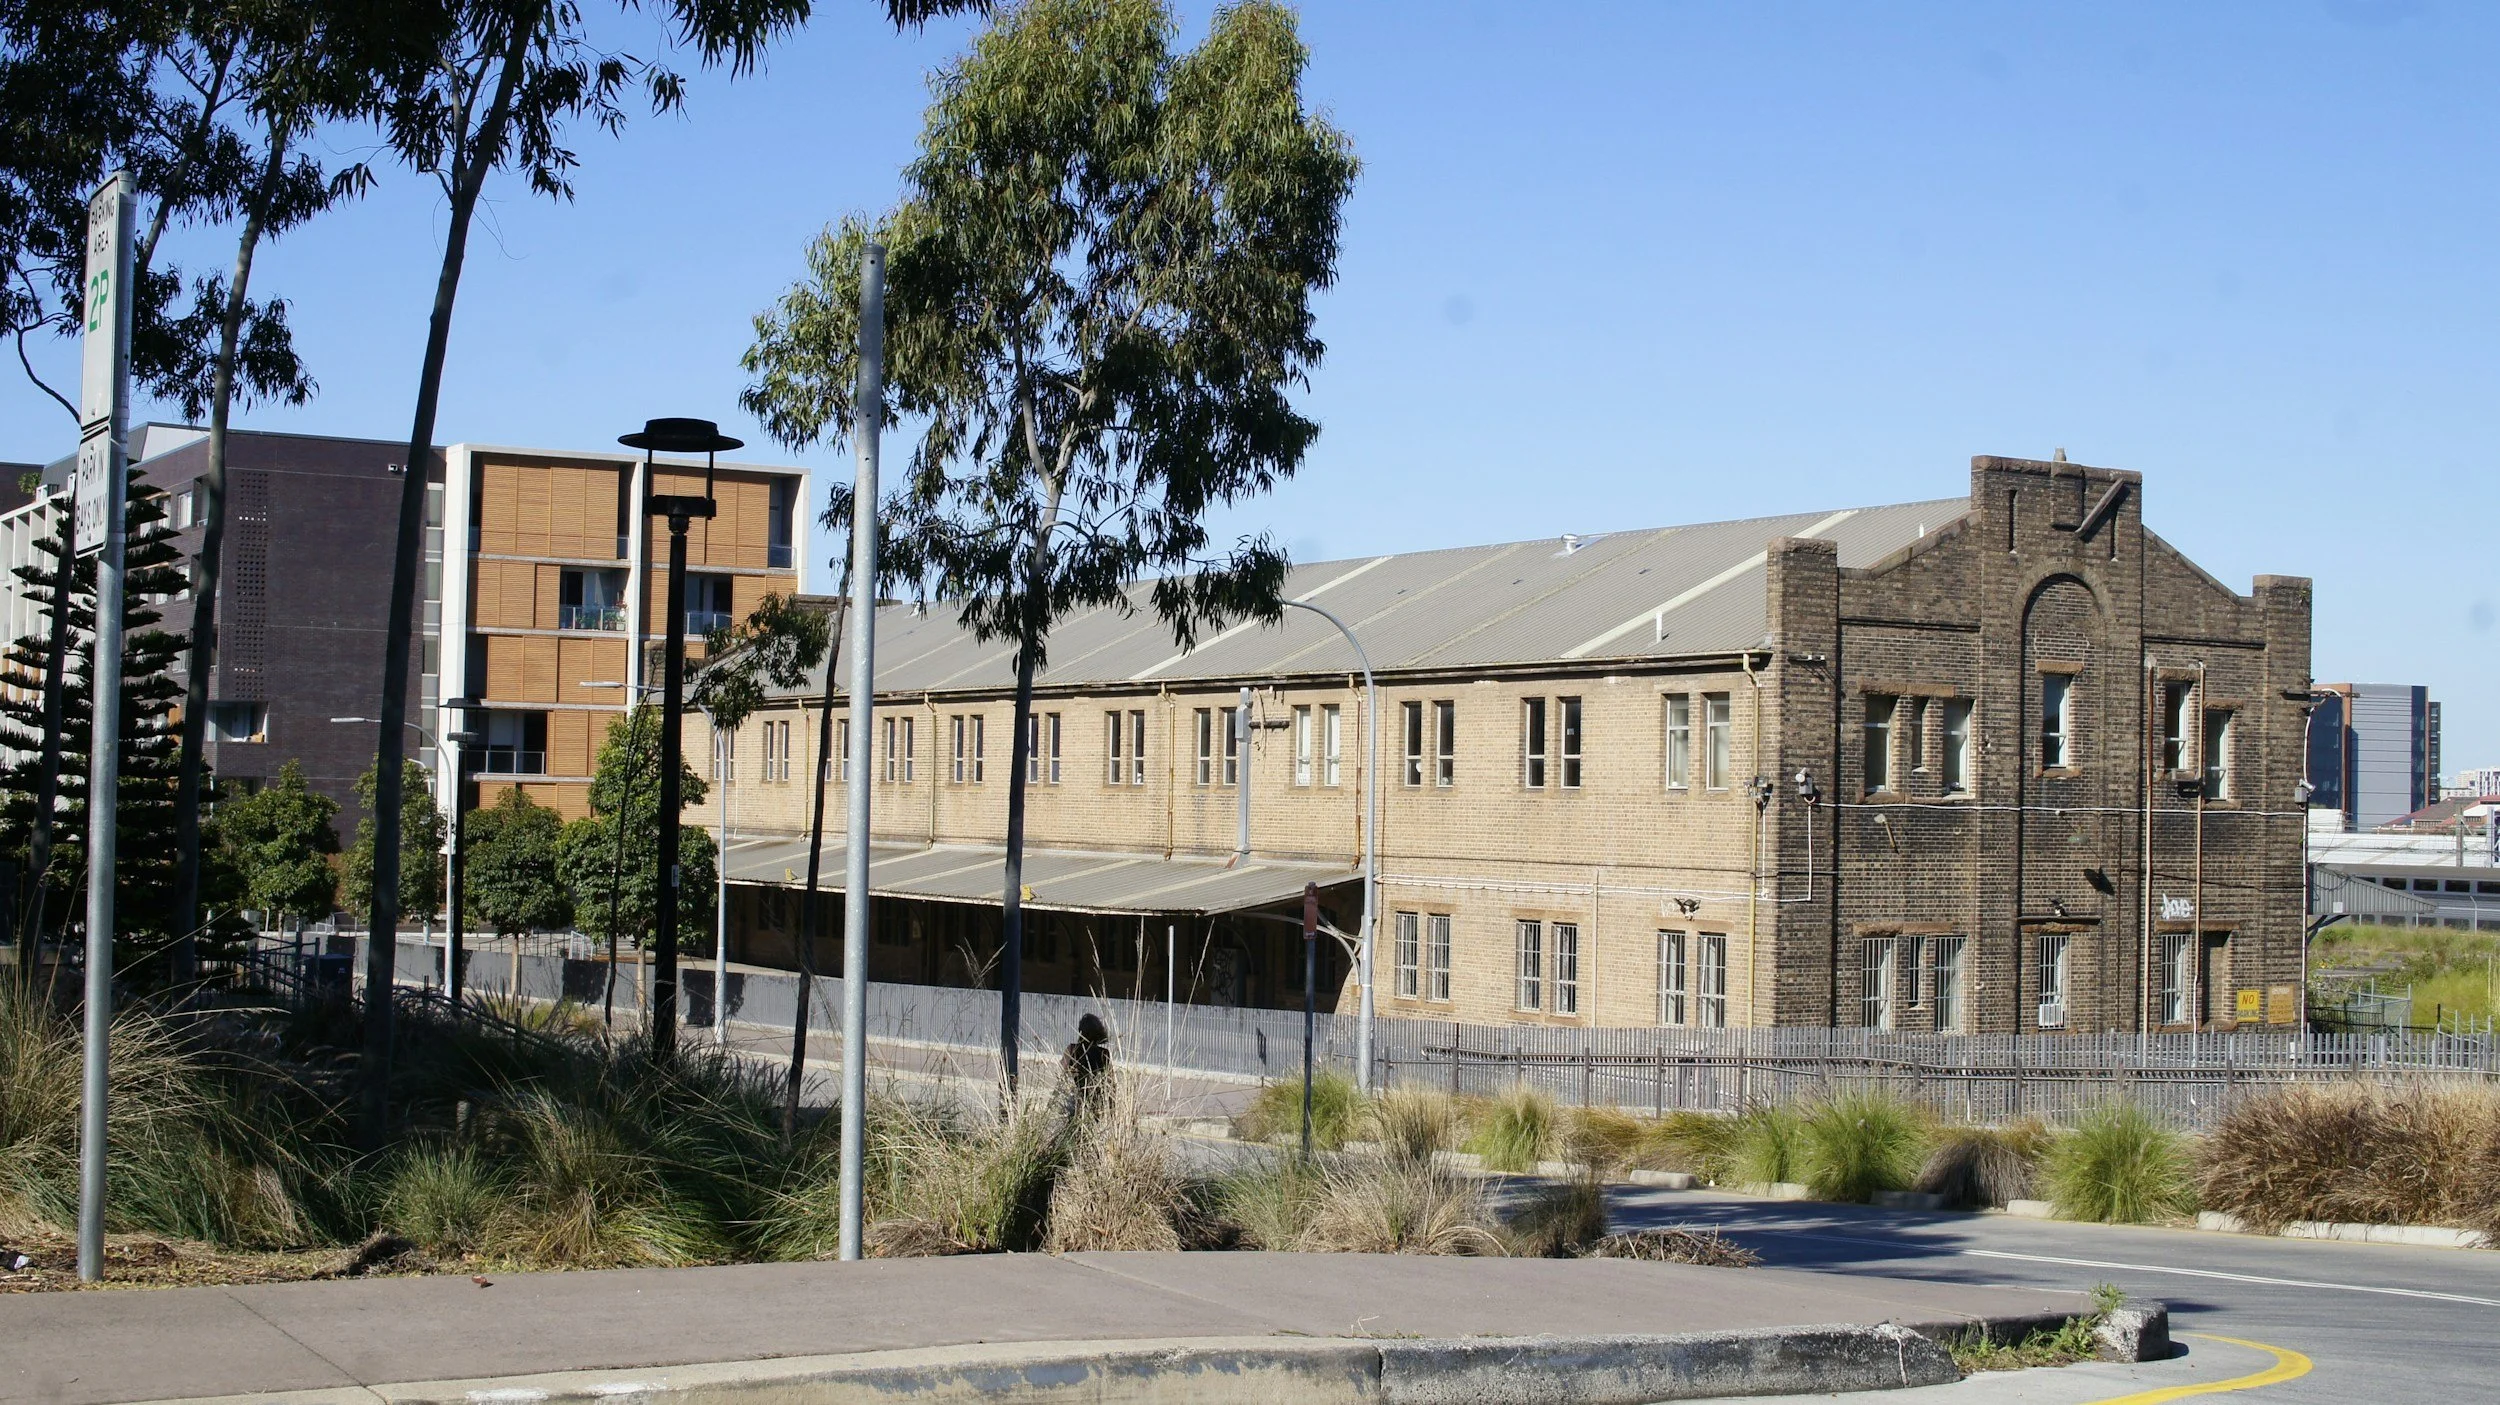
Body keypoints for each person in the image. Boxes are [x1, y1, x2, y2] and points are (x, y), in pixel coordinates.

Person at [1061, 1012, 1112, 1117]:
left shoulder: (1071, 1049)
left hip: (1074, 1098)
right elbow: (1110, 1082)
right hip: (1095, 1100)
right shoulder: (1104, 1053)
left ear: (1081, 1031)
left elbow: (1062, 1072)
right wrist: (1112, 1107)